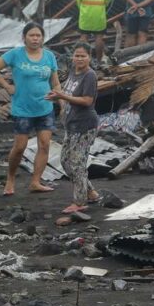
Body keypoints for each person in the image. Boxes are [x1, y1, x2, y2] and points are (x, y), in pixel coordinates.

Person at [0, 22, 61, 196]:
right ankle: (10, 179)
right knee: (19, 147)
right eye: (31, 35)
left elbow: (55, 82)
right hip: (23, 108)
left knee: (45, 144)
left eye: (38, 36)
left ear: (42, 38)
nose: (35, 38)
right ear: (24, 37)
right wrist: (6, 86)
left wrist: (60, 98)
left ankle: (35, 182)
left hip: (45, 107)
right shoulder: (16, 54)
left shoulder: (49, 56)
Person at [46, 43, 99, 213]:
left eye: (83, 56)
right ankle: (90, 191)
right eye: (77, 55)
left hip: (85, 125)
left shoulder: (90, 76)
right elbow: (69, 95)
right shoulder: (73, 72)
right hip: (72, 125)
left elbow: (87, 101)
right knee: (65, 161)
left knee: (77, 163)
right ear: (72, 57)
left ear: (89, 57)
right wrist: (57, 97)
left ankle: (80, 202)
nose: (79, 59)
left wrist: (62, 95)